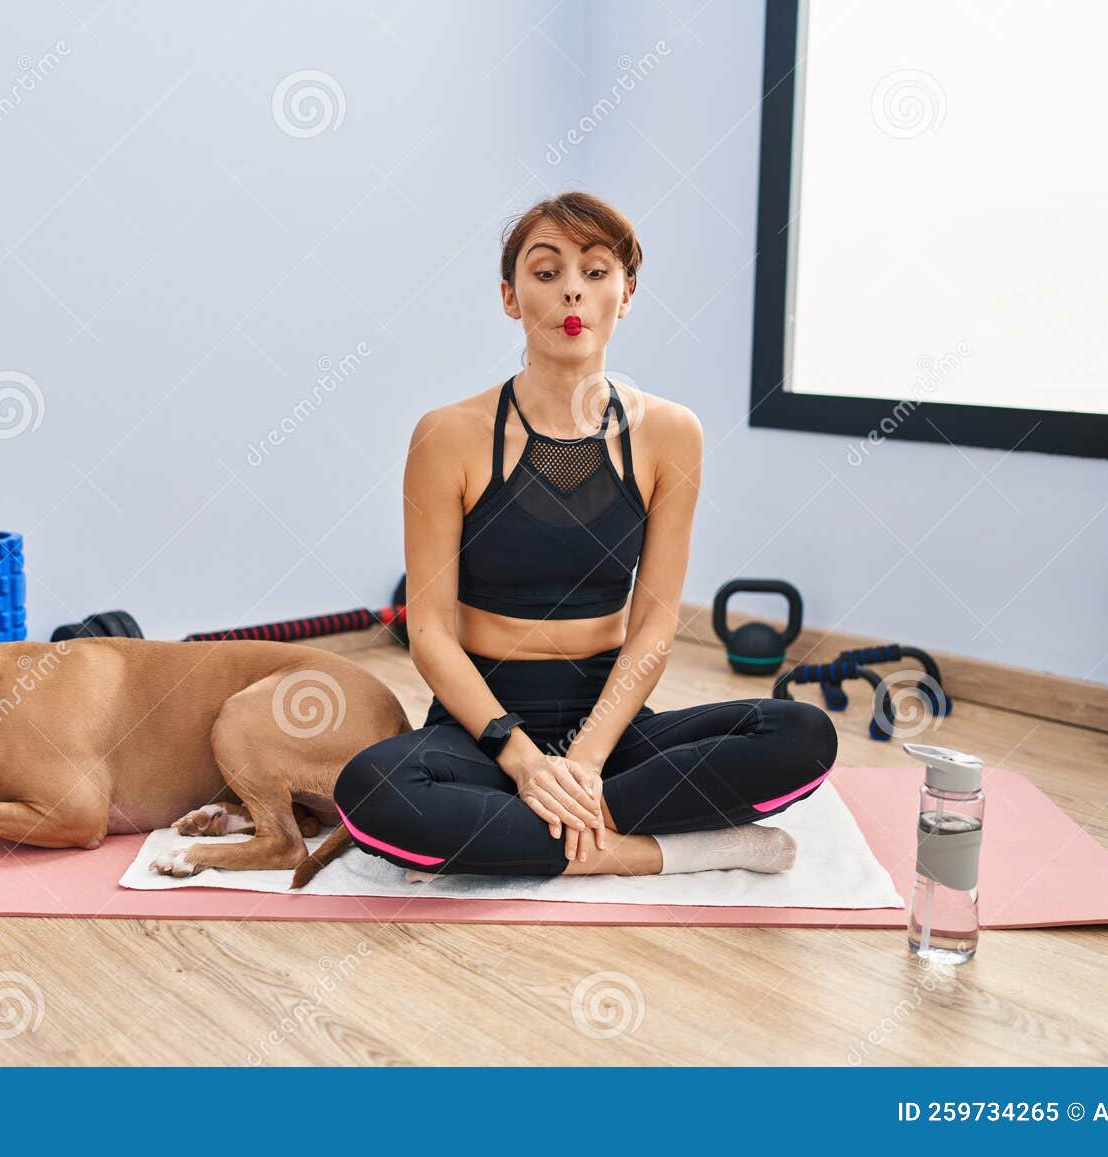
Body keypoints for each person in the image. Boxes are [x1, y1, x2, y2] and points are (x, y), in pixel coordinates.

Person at [333, 192, 837, 879]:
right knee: (372, 793)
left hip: (609, 719)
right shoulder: (447, 436)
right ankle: (651, 852)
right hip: (482, 729)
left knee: (801, 735)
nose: (573, 287)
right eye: (546, 272)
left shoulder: (670, 434)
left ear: (626, 293)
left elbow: (655, 624)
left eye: (597, 271)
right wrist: (525, 761)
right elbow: (429, 634)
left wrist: (585, 761)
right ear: (510, 297)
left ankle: (515, 837)